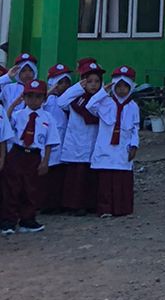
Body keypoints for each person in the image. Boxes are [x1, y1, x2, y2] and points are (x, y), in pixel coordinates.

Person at [0, 77, 54, 235]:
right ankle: (8, 221)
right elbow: (5, 123)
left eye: (38, 96)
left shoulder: (48, 118)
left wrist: (45, 161)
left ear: (44, 98)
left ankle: (27, 220)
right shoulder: (18, 115)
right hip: (17, 154)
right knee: (11, 188)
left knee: (31, 189)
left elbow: (50, 142)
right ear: (23, 97)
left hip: (34, 156)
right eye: (29, 96)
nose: (34, 100)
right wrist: (13, 105)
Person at [86, 66, 140, 219]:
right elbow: (89, 106)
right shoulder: (105, 103)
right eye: (119, 86)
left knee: (121, 179)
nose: (122, 90)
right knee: (105, 180)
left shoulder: (133, 106)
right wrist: (103, 91)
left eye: (125, 86)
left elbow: (135, 127)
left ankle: (121, 208)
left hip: (123, 147)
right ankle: (105, 208)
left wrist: (134, 145)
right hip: (106, 147)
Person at [59, 60, 105, 215]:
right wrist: (78, 87)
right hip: (76, 144)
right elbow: (61, 102)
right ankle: (74, 205)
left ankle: (90, 204)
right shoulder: (74, 99)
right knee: (75, 177)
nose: (93, 85)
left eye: (97, 81)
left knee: (90, 177)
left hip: (93, 144)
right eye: (89, 81)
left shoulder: (102, 100)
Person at [38, 64, 74, 215]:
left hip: (65, 143)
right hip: (48, 144)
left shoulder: (70, 100)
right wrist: (50, 91)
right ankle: (46, 204)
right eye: (60, 82)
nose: (64, 86)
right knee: (48, 177)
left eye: (66, 82)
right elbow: (39, 105)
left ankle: (60, 203)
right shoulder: (49, 99)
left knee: (60, 176)